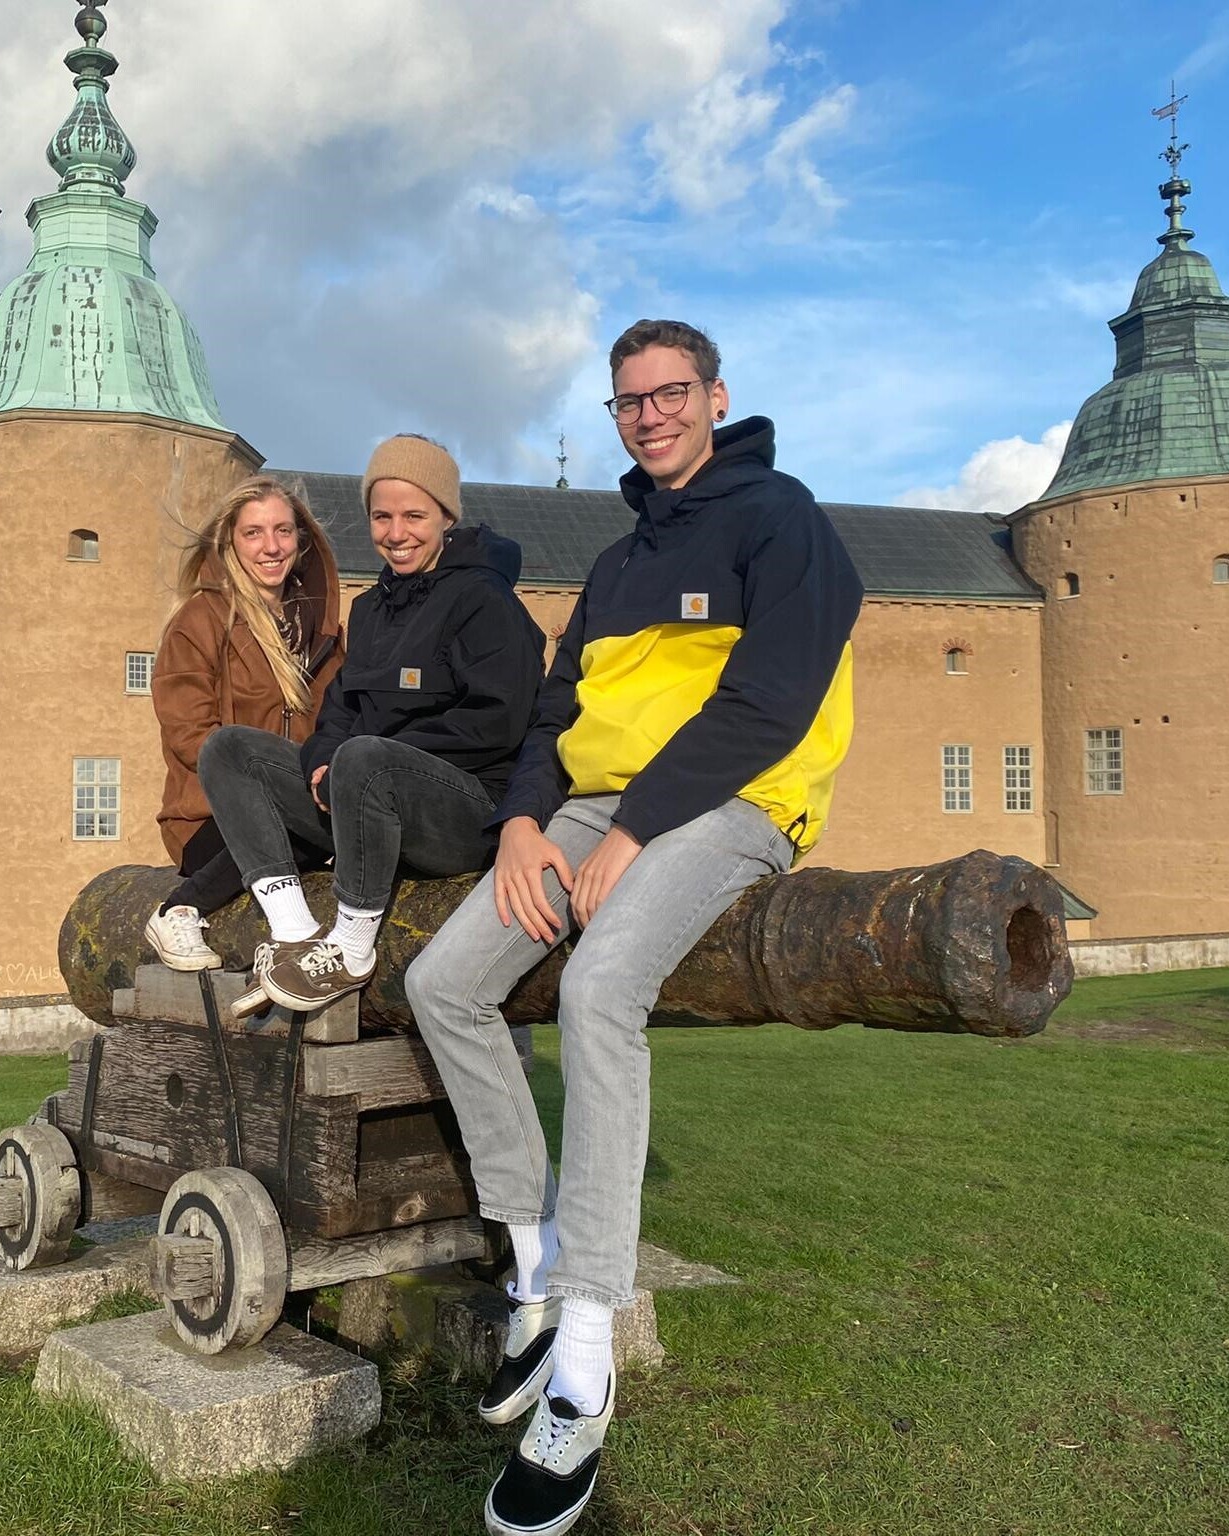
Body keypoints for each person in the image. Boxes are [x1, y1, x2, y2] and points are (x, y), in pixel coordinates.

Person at [405, 320, 865, 1536]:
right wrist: (522, 823)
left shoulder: (784, 520)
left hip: (735, 799)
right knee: (444, 982)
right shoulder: (614, 566)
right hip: (596, 804)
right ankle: (536, 1261)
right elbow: (557, 714)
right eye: (629, 401)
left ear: (716, 396)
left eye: (670, 394)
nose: (650, 415)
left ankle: (589, 1346)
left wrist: (631, 831)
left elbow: (771, 701)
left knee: (603, 986)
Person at [196, 433, 546, 1015]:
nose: (396, 532)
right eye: (382, 517)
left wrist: (370, 760)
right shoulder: (371, 607)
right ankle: (294, 929)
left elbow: (498, 721)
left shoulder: (484, 600)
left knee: (364, 755)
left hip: (459, 813)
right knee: (231, 749)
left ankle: (353, 946)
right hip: (366, 794)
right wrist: (324, 760)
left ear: (446, 516)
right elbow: (340, 707)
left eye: (414, 515)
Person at [144, 476, 343, 971]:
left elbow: (341, 722)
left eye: (282, 531)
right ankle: (177, 908)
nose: (271, 547)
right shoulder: (201, 620)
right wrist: (259, 788)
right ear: (230, 541)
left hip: (297, 807)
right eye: (253, 533)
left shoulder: (320, 631)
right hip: (209, 819)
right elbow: (188, 733)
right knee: (294, 831)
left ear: (301, 539)